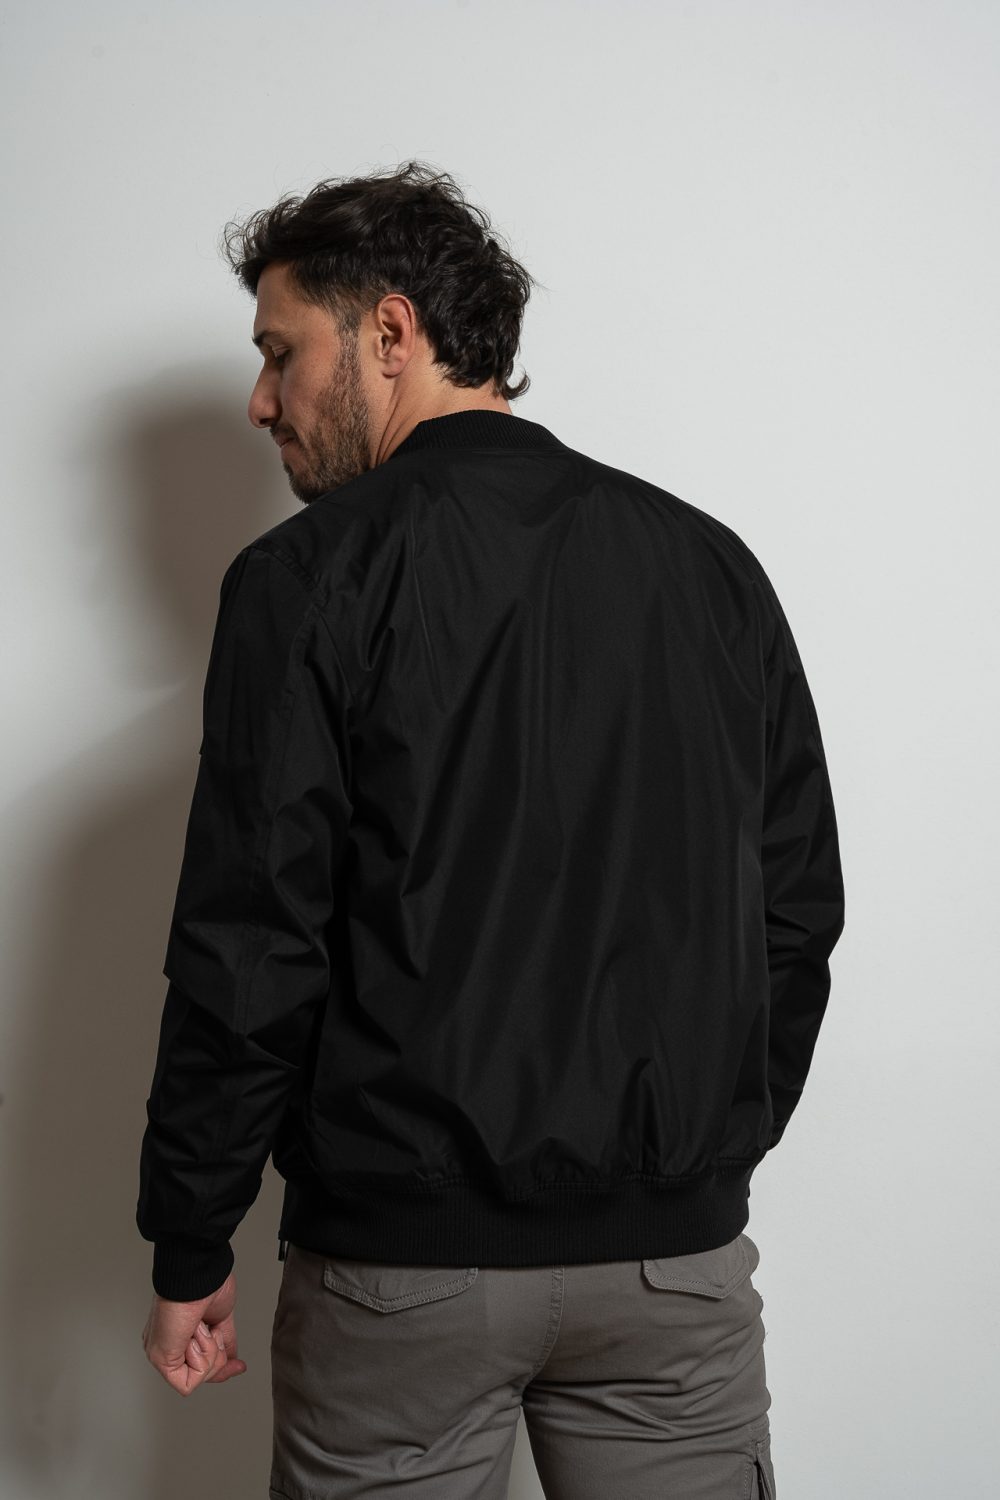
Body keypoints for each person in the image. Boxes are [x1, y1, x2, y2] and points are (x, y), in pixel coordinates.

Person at [136, 159, 844, 1499]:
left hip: (402, 1277)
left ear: (390, 332)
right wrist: (698, 1159)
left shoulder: (306, 579)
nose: (262, 400)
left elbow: (251, 951)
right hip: (673, 1275)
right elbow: (794, 908)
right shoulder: (707, 567)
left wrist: (191, 1236)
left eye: (281, 352)